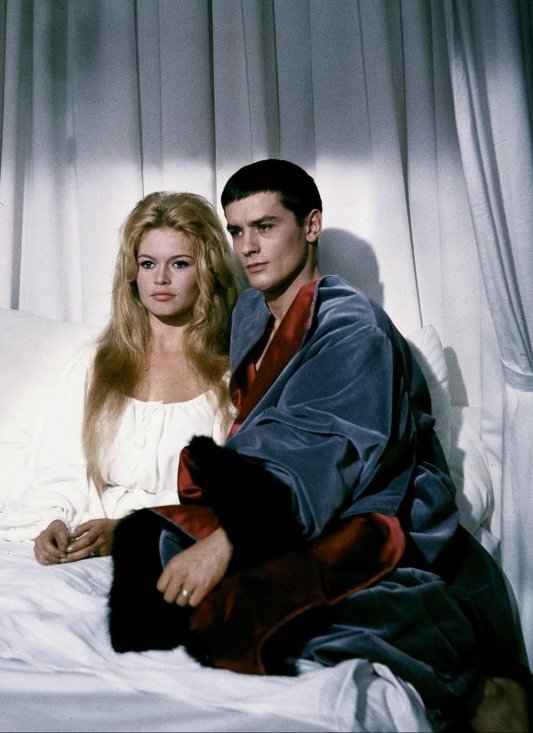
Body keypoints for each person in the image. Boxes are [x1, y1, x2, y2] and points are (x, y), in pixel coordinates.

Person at [110, 161, 531, 732]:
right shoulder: (250, 313)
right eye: (237, 231)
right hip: (284, 503)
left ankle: (485, 696)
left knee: (265, 609)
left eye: (265, 226)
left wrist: (230, 539)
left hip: (370, 512)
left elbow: (330, 453)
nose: (247, 247)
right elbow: (267, 442)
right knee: (152, 550)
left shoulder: (351, 325)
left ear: (311, 226)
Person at [0, 191, 240, 566]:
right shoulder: (95, 366)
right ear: (133, 273)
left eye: (179, 264)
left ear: (207, 271)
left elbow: (224, 501)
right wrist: (51, 522)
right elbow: (57, 469)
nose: (161, 278)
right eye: (148, 264)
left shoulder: (229, 379)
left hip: (167, 550)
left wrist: (129, 529)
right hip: (79, 543)